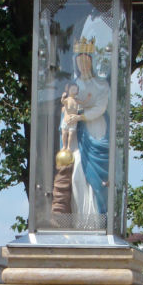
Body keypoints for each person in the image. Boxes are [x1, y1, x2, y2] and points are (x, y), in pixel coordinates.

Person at [63, 36, 110, 226]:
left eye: (86, 61)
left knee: (95, 181)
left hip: (95, 131)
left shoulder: (101, 85)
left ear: (92, 62)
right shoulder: (73, 86)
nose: (83, 65)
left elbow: (101, 107)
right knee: (76, 176)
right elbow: (66, 109)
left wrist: (81, 116)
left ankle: (96, 221)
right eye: (79, 61)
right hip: (76, 135)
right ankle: (80, 220)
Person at [60, 82, 82, 152]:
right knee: (64, 133)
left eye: (75, 89)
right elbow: (63, 101)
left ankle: (69, 146)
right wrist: (63, 97)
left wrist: (88, 98)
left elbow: (83, 103)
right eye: (72, 89)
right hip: (66, 119)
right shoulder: (67, 99)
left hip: (73, 121)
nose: (73, 91)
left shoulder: (76, 100)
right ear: (68, 90)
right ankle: (64, 146)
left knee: (71, 134)